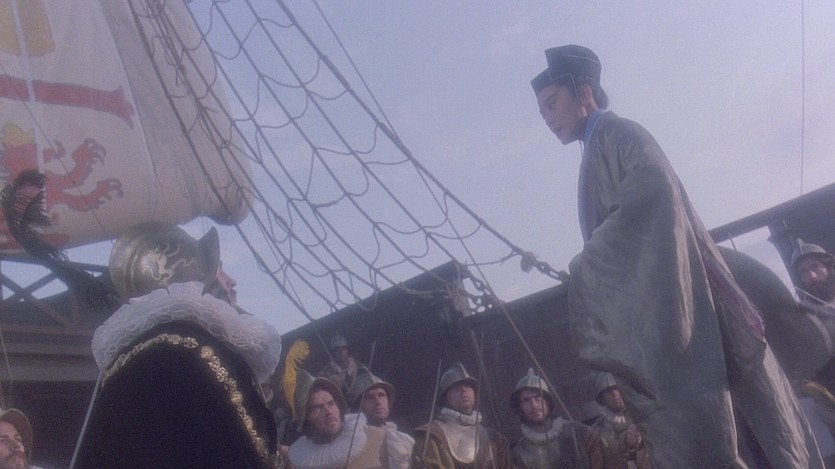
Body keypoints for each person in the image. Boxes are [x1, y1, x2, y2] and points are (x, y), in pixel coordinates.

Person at [532, 44, 822, 468]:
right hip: (674, 302)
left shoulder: (620, 134)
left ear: (585, 93)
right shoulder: (596, 151)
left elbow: (654, 194)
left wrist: (589, 263)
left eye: (551, 103)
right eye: (542, 112)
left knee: (737, 418)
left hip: (696, 299)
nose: (548, 118)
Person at [73, 221, 283, 468]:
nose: (231, 281)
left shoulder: (124, 368)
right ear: (192, 278)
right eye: (220, 270)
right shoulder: (191, 352)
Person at [412, 362, 515, 469]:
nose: (464, 390)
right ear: (445, 398)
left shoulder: (495, 440)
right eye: (456, 387)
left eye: (468, 386)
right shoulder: (432, 435)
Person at [287, 372, 389, 469]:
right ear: (306, 419)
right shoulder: (298, 461)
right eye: (317, 408)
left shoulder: (379, 439)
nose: (329, 412)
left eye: (331, 404)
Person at [509, 369, 605, 469]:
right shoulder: (518, 455)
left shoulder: (581, 433)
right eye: (526, 400)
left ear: (547, 401)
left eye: (538, 397)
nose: (534, 405)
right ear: (519, 407)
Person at [350, 369, 415, 468]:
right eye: (369, 397)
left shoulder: (401, 438)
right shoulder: (352, 440)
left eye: (381, 395)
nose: (378, 402)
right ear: (358, 406)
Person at [587, 373, 651, 469]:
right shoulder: (598, 429)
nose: (614, 394)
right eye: (608, 391)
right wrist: (627, 441)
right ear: (602, 398)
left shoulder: (642, 412)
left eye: (616, 388)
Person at [318, 334, 366, 399]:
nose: (340, 352)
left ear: (348, 350)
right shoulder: (326, 372)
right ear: (332, 353)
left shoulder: (361, 368)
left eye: (343, 348)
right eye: (337, 349)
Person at [793, 241, 835, 307]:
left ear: (828, 268)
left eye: (815, 267)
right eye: (804, 272)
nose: (812, 276)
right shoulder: (803, 311)